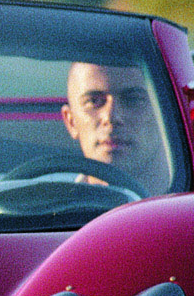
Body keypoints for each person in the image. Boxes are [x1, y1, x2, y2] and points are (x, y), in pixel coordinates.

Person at [59, 61, 174, 197]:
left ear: (166, 114)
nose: (112, 116)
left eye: (133, 99)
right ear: (70, 121)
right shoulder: (47, 210)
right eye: (94, 101)